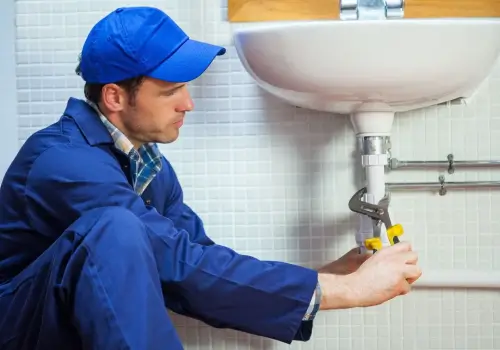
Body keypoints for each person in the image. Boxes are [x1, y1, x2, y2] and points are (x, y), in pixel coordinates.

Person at [0, 6, 422, 350]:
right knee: (116, 227)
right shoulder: (63, 161)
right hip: (19, 330)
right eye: (170, 91)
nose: (188, 104)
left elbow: (197, 264)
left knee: (128, 231)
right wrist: (345, 291)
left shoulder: (148, 165)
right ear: (114, 96)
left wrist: (326, 276)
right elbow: (181, 264)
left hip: (63, 326)